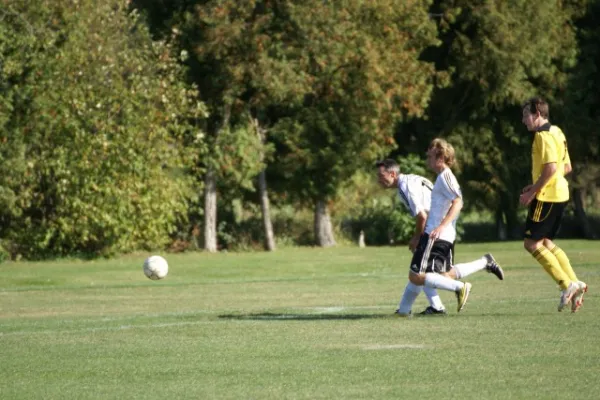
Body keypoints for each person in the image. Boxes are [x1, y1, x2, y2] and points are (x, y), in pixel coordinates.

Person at [376, 140, 504, 315]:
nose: (427, 159)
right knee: (442, 275)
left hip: (435, 232)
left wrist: (419, 236)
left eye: (430, 156)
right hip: (444, 232)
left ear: (441, 157)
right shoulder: (425, 178)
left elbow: (451, 204)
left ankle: (458, 289)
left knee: (417, 274)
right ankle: (415, 310)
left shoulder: (435, 178)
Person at [520, 97, 587, 312]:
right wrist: (535, 184)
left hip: (547, 197)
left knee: (531, 244)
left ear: (537, 114)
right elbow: (566, 167)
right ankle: (575, 282)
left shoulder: (543, 135)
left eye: (525, 116)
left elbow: (550, 168)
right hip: (561, 193)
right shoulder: (558, 131)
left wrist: (533, 191)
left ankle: (566, 285)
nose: (524, 121)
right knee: (546, 242)